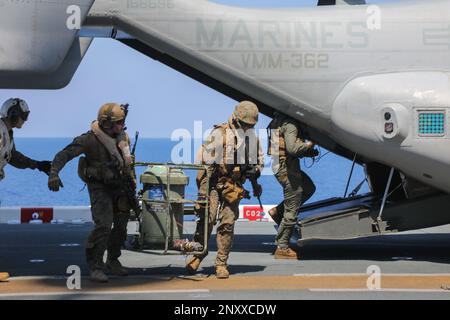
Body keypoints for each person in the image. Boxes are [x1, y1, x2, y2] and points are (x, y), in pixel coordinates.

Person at [48, 103, 135, 283]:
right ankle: (96, 266)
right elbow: (65, 154)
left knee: (120, 225)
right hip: (99, 187)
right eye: (118, 122)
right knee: (103, 224)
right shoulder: (89, 140)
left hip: (120, 187)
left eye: (123, 121)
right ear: (105, 123)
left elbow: (128, 164)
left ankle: (112, 260)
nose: (122, 125)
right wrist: (54, 173)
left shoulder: (122, 138)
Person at [186, 101, 264, 279]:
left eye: (250, 125)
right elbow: (205, 165)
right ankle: (198, 255)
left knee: (227, 224)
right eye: (245, 124)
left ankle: (221, 263)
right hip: (213, 184)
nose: (247, 128)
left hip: (234, 187)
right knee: (207, 219)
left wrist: (256, 175)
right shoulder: (219, 134)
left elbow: (258, 162)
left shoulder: (252, 140)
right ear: (237, 120)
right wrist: (203, 193)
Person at [0, 98, 52, 282]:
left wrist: (37, 165)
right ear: (13, 114)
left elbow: (13, 157)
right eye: (23, 116)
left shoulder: (7, 132)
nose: (25, 120)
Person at [267, 112, 317, 259]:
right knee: (293, 205)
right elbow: (292, 149)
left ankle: (277, 211)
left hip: (284, 165)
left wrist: (308, 152)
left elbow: (289, 148)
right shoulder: (291, 125)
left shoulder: (280, 121)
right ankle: (282, 247)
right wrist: (309, 144)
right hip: (286, 169)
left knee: (308, 187)